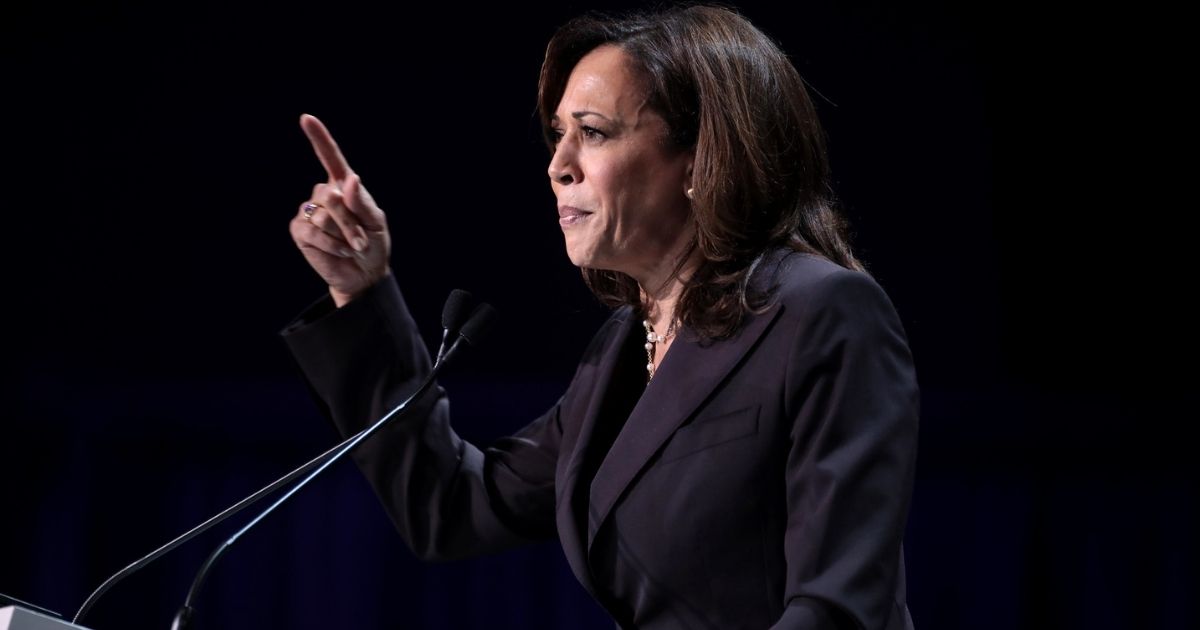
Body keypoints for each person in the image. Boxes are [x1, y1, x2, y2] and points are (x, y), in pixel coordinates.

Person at [281, 5, 919, 629]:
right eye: (559, 134)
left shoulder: (820, 312)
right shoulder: (621, 347)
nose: (558, 165)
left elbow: (838, 607)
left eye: (593, 131)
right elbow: (452, 506)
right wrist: (361, 291)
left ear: (700, 157)